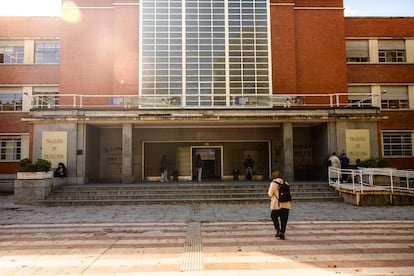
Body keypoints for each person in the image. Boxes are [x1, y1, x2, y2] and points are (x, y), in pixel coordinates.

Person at [268, 171, 291, 240]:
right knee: (284, 220)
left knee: (273, 216)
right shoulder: (286, 183)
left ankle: (277, 229)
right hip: (286, 204)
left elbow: (270, 194)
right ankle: (282, 233)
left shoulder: (273, 183)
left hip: (276, 205)